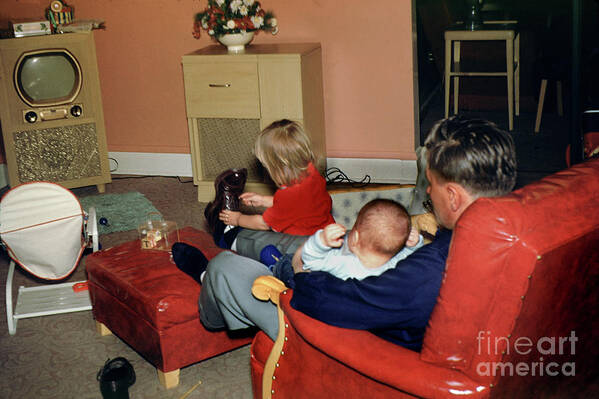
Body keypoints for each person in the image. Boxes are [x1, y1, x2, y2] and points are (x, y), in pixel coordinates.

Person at [191, 116, 517, 351]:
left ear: (455, 196)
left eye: (430, 184)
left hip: (349, 342)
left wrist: (301, 269)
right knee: (330, 241)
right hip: (378, 296)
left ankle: (205, 279)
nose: (428, 193)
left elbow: (328, 301)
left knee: (226, 269)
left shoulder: (428, 275)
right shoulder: (514, 231)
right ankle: (235, 243)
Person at [212, 119, 335, 249]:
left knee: (256, 239)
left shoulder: (288, 195)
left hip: (300, 245)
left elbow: (263, 224)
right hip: (324, 233)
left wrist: (238, 219)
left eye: (267, 166)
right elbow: (299, 205)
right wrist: (263, 200)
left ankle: (227, 238)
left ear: (277, 166)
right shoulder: (312, 172)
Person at [266, 199, 423, 286]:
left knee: (290, 262)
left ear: (353, 238)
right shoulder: (395, 264)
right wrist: (414, 244)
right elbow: (411, 257)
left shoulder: (342, 263)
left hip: (311, 281)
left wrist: (321, 241)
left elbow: (310, 259)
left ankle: (274, 266)